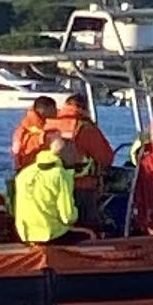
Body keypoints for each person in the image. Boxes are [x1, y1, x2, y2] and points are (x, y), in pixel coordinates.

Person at [53, 92, 114, 224]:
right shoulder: (85, 128)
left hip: (52, 186)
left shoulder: (50, 125)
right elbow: (106, 157)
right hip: (81, 187)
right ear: (84, 107)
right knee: (87, 224)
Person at [13, 135, 81, 244]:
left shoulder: (24, 174)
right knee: (89, 235)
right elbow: (67, 217)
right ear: (65, 154)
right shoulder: (61, 175)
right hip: (50, 235)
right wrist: (78, 213)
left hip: (25, 235)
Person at [11, 95, 59, 172]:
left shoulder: (27, 125)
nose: (56, 111)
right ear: (43, 109)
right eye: (53, 108)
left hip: (27, 169)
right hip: (33, 169)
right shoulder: (33, 131)